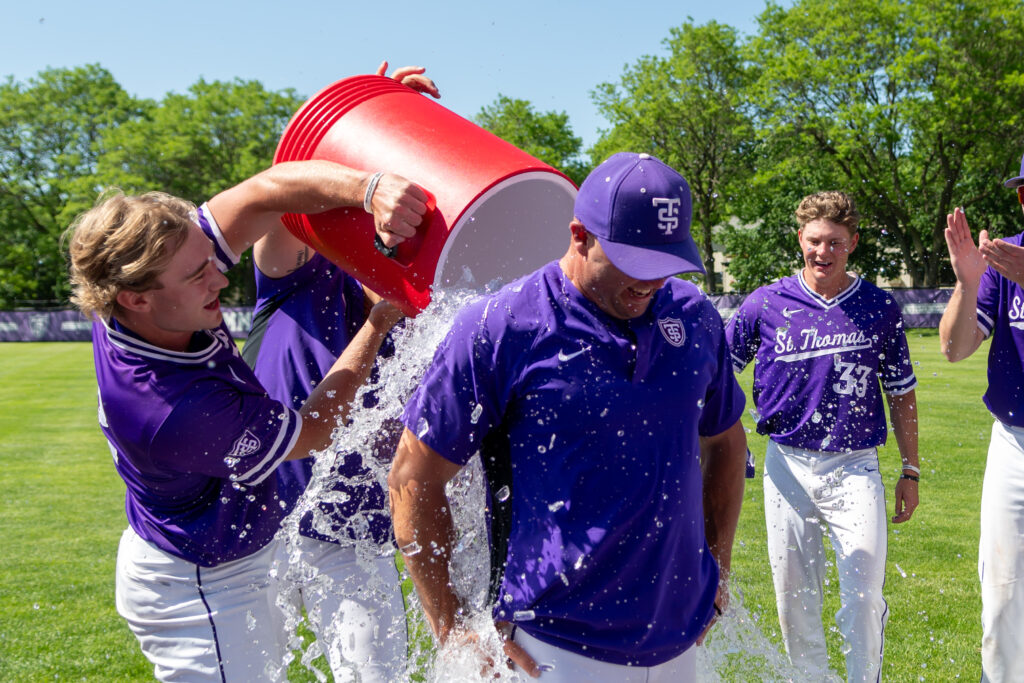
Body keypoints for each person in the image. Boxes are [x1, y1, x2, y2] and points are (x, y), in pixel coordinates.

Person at [387, 152, 749, 682]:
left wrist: (718, 565)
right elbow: (412, 476)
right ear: (580, 235)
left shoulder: (692, 316)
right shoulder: (501, 325)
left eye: (666, 262)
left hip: (678, 643)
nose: (651, 284)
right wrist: (453, 627)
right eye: (635, 264)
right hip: (553, 649)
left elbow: (725, 441)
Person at [64, 157, 422, 681]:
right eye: (198, 275)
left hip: (232, 550)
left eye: (209, 258)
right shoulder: (171, 407)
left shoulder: (136, 293)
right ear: (135, 298)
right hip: (199, 582)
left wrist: (373, 174)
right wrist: (376, 323)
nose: (221, 277)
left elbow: (266, 191)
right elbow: (315, 430)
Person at [240, 62, 439, 681]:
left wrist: (418, 139)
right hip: (253, 524)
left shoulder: (422, 296)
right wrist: (369, 123)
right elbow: (277, 188)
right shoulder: (300, 264)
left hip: (352, 527)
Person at [725, 191, 920, 682]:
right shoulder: (766, 302)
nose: (822, 252)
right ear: (800, 239)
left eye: (834, 242)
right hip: (786, 463)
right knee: (794, 598)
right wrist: (727, 435)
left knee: (863, 593)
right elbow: (717, 372)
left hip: (855, 465)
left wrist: (911, 469)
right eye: (814, 241)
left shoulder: (878, 306)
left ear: (852, 242)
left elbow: (901, 393)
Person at [939, 154, 1024, 682]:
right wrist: (970, 281)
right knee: (1002, 601)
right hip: (1014, 442)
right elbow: (954, 347)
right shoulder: (1007, 258)